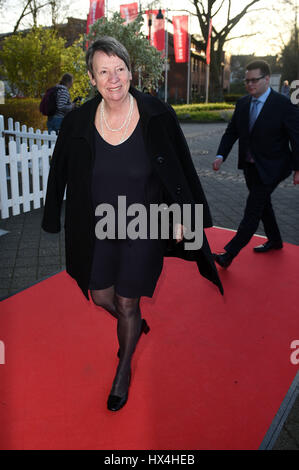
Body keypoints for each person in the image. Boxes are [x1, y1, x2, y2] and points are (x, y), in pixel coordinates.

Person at [42, 36, 223, 412]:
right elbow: (59, 170)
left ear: (130, 70)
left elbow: (181, 171)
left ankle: (123, 368)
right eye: (103, 71)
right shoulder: (77, 121)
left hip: (146, 224)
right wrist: (50, 220)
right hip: (98, 226)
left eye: (120, 69)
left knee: (127, 300)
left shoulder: (157, 115)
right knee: (102, 296)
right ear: (92, 78)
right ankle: (133, 323)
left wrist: (184, 219)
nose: (114, 78)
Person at [212, 60, 299, 268]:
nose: (250, 84)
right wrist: (220, 155)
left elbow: (296, 137)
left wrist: (298, 168)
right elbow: (232, 132)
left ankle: (228, 254)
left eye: (254, 80)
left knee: (253, 209)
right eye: (247, 81)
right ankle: (276, 240)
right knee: (263, 204)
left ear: (267, 79)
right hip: (250, 166)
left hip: (275, 166)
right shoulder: (242, 103)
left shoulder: (283, 104)